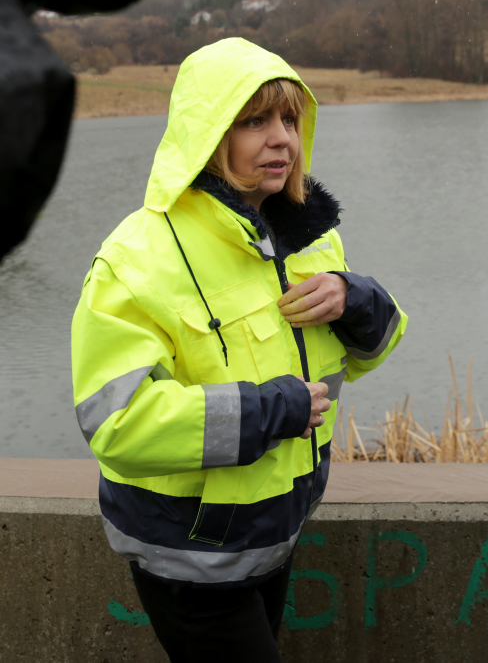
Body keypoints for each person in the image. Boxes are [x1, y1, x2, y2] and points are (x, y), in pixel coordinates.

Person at [71, 38, 406, 662]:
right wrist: (269, 413)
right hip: (189, 552)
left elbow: (365, 354)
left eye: (289, 119)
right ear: (207, 134)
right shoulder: (137, 259)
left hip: (276, 531)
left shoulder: (305, 237)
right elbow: (117, 424)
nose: (281, 139)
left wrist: (355, 298)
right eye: (254, 121)